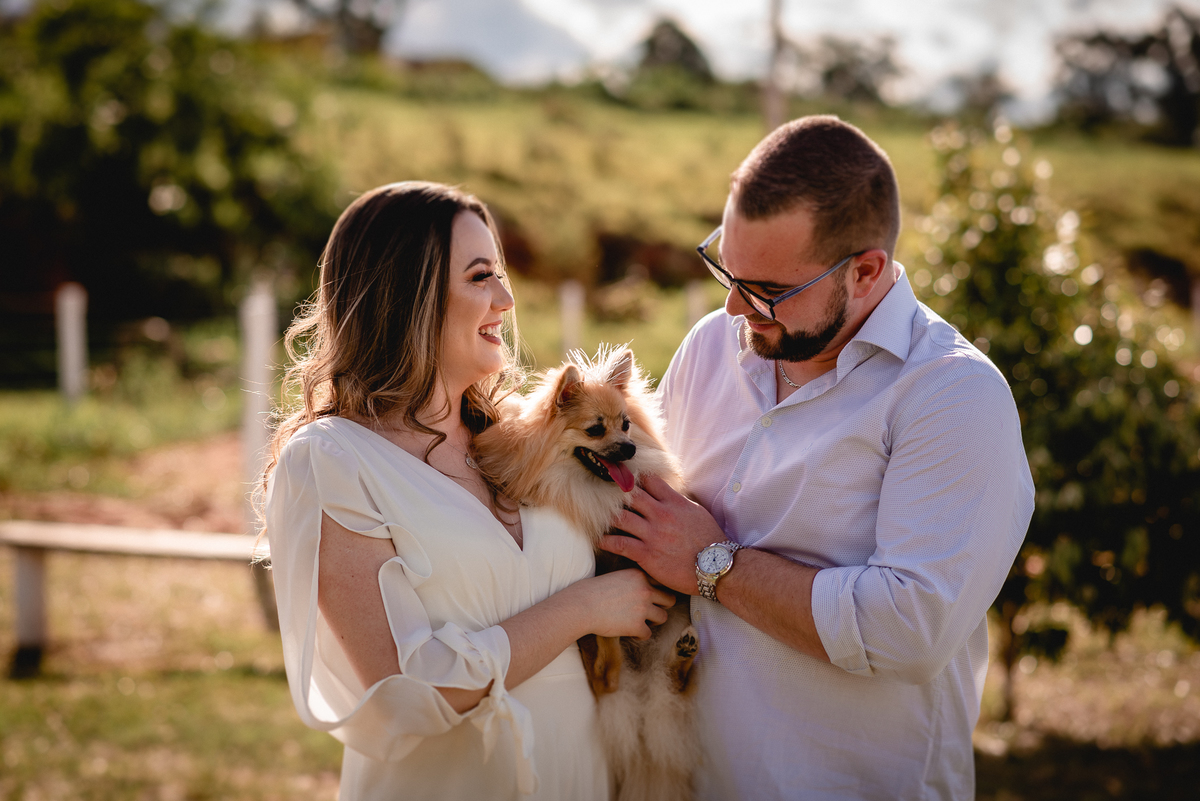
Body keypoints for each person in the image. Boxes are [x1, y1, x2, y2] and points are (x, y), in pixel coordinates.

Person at [600, 116, 1035, 800]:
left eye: (768, 289)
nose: (735, 305)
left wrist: (716, 564)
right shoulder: (710, 347)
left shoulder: (954, 396)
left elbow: (908, 628)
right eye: (726, 267)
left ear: (866, 271)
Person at [261, 181, 675, 801]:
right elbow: (406, 691)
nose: (506, 300)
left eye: (501, 276)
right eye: (481, 276)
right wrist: (587, 608)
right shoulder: (332, 461)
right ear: (407, 296)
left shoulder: (521, 443)